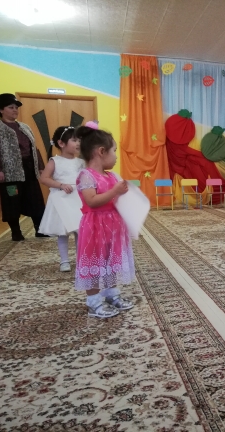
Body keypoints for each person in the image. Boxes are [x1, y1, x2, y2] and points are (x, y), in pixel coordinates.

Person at [74, 124, 134, 318]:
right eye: (114, 151)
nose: (116, 156)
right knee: (93, 262)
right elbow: (91, 201)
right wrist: (115, 191)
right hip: (94, 226)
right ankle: (93, 301)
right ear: (101, 151)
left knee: (110, 260)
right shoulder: (86, 175)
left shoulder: (111, 175)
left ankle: (111, 293)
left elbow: (115, 199)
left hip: (112, 226)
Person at [0, 93, 47, 240]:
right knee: (11, 201)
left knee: (35, 199)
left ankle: (40, 229)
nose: (15, 110)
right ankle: (16, 232)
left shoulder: (25, 127)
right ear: (1, 110)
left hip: (29, 169)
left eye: (16, 107)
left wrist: (40, 166)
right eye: (11, 107)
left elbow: (34, 148)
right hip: (9, 174)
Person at [38, 126, 85, 272]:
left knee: (80, 230)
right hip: (62, 200)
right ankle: (64, 261)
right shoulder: (55, 161)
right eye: (74, 140)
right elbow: (44, 178)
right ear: (61, 143)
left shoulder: (81, 162)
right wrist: (61, 185)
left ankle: (81, 259)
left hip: (77, 200)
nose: (78, 143)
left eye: (79, 140)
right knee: (62, 232)